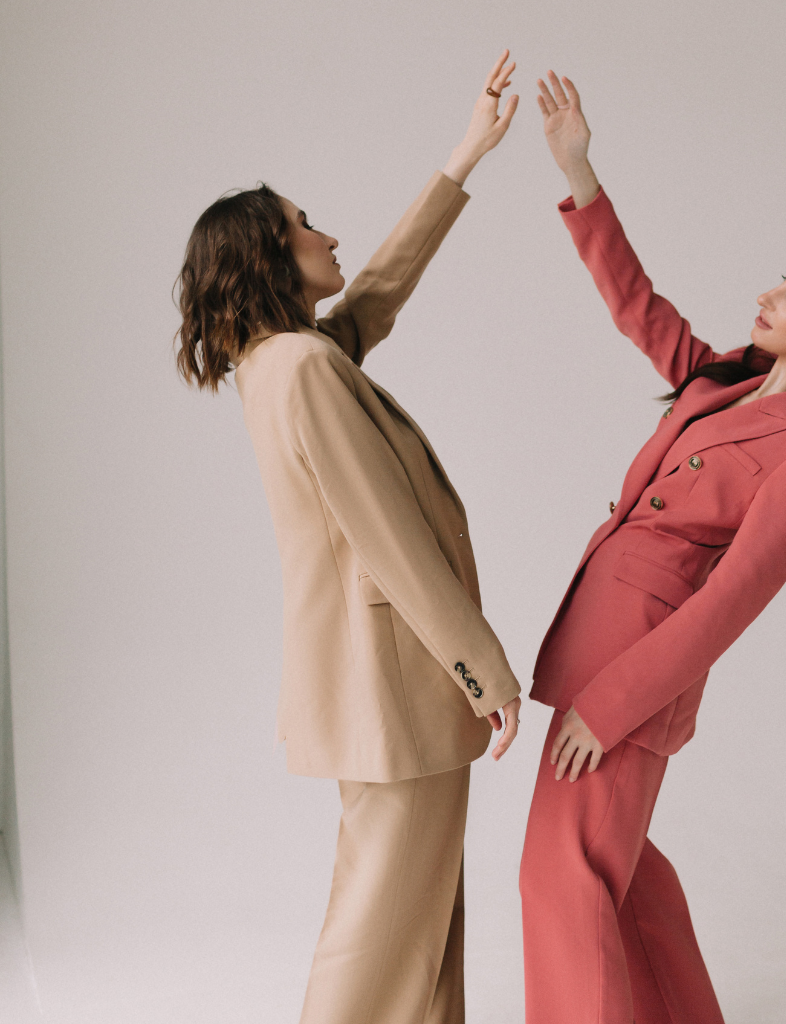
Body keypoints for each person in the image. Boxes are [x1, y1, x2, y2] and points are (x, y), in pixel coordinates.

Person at [520, 70, 786, 1024]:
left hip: (632, 674)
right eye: (782, 278)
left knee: (564, 880)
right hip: (596, 640)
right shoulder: (724, 378)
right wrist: (579, 172)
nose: (768, 296)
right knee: (623, 877)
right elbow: (639, 307)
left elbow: (729, 604)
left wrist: (609, 707)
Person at [174, 51, 523, 1024]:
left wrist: (464, 157)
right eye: (304, 223)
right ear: (268, 255)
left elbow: (376, 293)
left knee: (420, 918)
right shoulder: (305, 370)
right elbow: (391, 539)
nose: (328, 234)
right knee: (382, 927)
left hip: (381, 687)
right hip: (396, 682)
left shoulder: (281, 359)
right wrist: (486, 672)